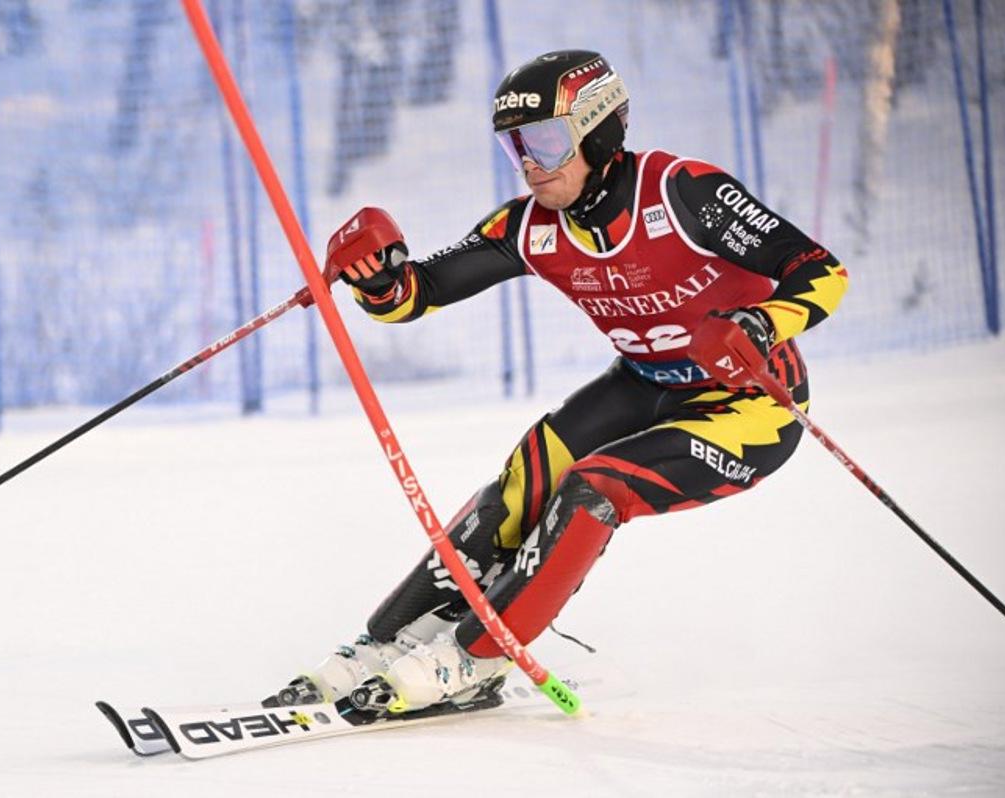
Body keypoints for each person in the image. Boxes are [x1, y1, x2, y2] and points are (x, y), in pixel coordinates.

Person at [274, 49, 848, 714]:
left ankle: (474, 658)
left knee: (594, 488)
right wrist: (377, 278)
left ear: (598, 131)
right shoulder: (529, 225)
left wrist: (760, 323)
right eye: (515, 145)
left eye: (546, 139)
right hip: (643, 383)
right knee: (524, 485)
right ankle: (386, 643)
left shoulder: (682, 192)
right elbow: (418, 293)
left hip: (749, 405)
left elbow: (819, 268)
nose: (531, 162)